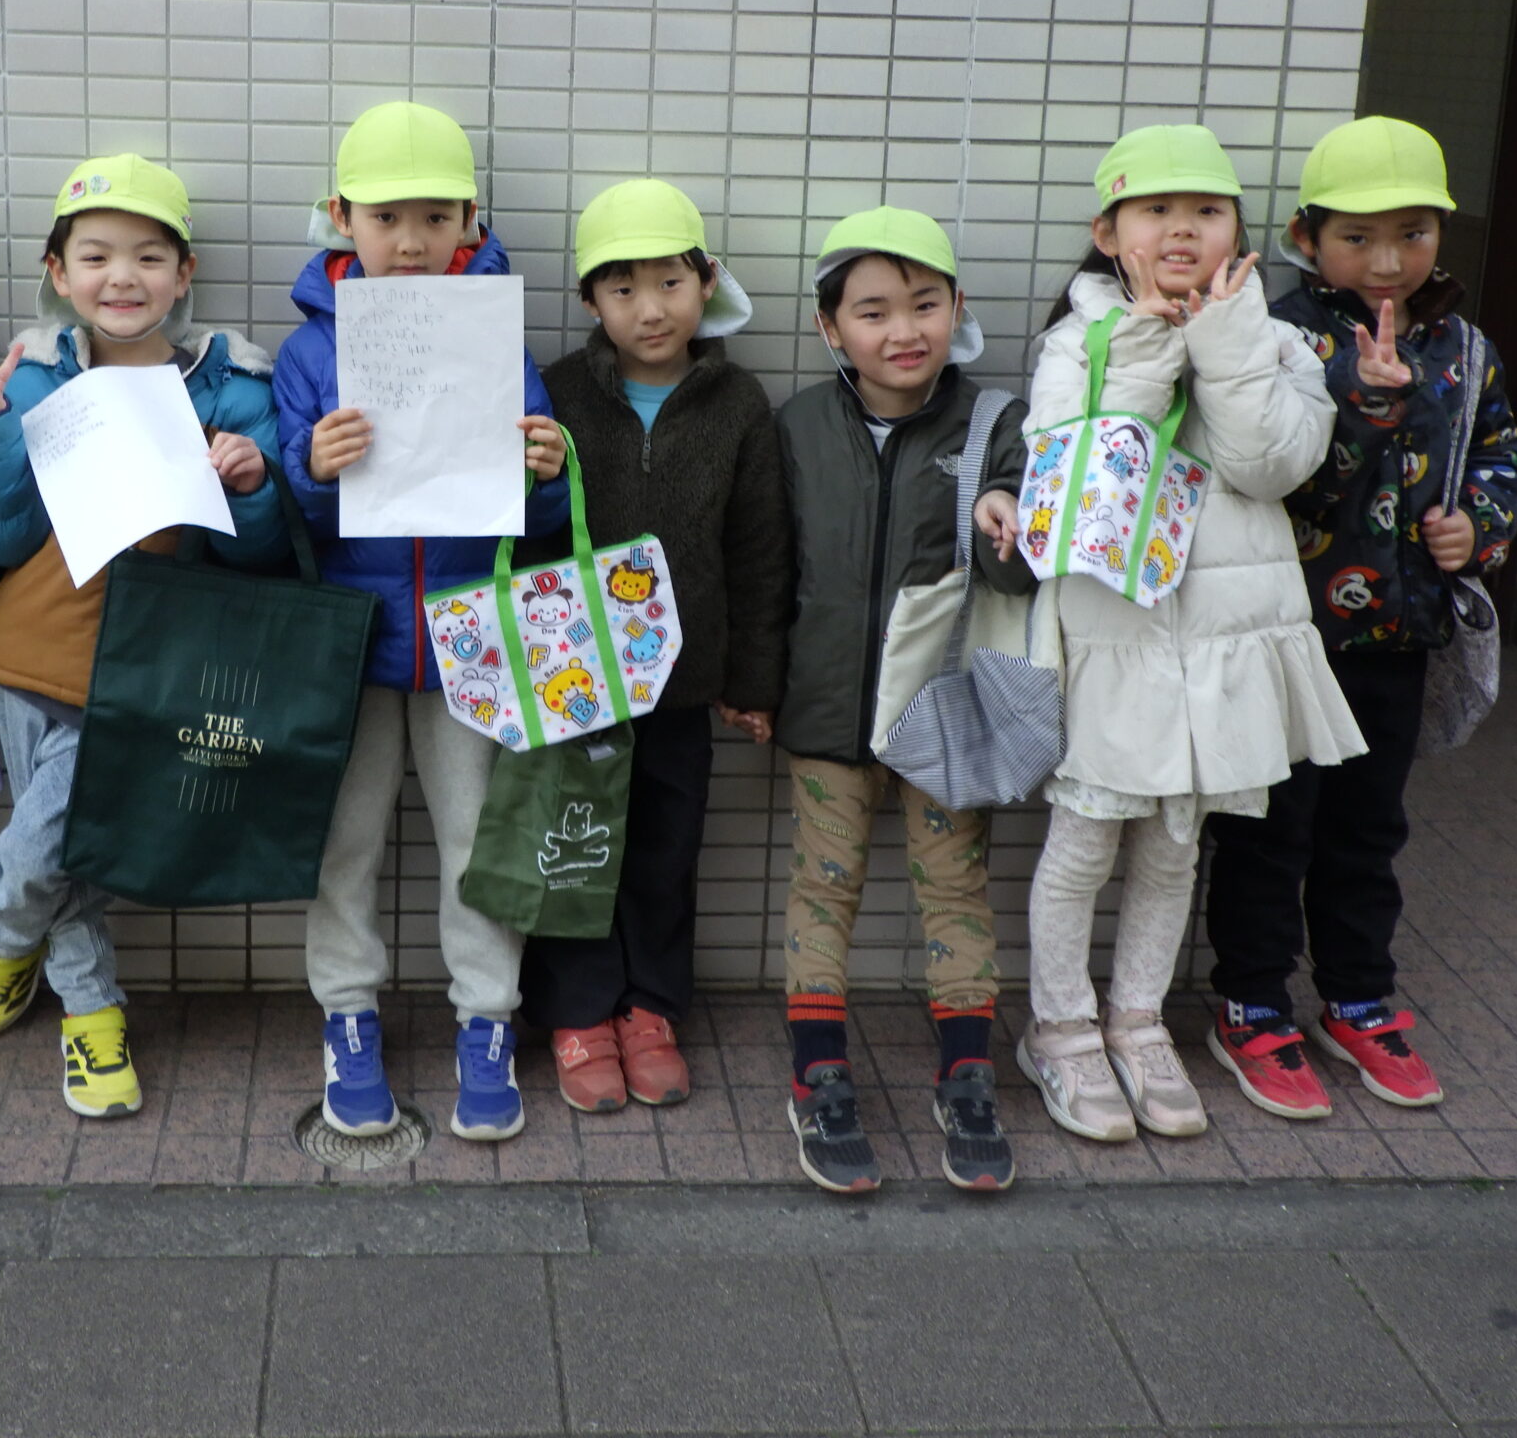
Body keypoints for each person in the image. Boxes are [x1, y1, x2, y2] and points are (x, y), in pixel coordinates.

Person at [1018, 125, 1365, 1148]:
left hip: (1222, 643)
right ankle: (1060, 1030)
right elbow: (1083, 473)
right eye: (1156, 211)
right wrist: (1142, 345)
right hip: (1111, 637)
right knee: (1083, 842)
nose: (1182, 230)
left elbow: (1271, 464)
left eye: (1206, 212)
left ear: (1238, 233)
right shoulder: (1076, 341)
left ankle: (1138, 1024)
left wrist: (1223, 342)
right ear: (1107, 233)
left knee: (1175, 846)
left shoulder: (1277, 340)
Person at [0, 154, 286, 1118]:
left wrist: (254, 483)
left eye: (147, 257)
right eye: (95, 257)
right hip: (27, 654)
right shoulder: (30, 377)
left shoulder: (231, 387)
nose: (121, 277)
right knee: (70, 857)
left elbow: (261, 558)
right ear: (58, 273)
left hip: (152, 669)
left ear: (185, 273)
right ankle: (91, 1024)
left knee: (50, 849)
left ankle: (5, 942)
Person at [1205, 117, 1517, 1117]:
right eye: (1358, 237)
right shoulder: (1276, 335)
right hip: (1287, 635)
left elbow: (1501, 455)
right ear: (1306, 238)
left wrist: (1477, 526)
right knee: (1270, 829)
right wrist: (1364, 403)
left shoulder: (1464, 348)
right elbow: (1265, 473)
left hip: (1399, 634)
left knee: (1367, 829)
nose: (1387, 262)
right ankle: (1251, 1005)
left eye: (1411, 234)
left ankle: (1356, 997)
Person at [275, 100, 569, 1145]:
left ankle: (487, 1022)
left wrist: (548, 473)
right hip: (350, 641)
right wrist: (311, 470)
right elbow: (288, 517)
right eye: (386, 216)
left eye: (436, 217)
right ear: (340, 216)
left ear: (470, 222)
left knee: (477, 843)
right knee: (343, 843)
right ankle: (347, 1017)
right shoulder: (309, 351)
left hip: (470, 634)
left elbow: (538, 522)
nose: (410, 240)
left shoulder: (497, 340)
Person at [776, 207, 1032, 1196]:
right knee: (823, 886)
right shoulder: (799, 426)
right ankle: (818, 1074)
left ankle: (967, 1074)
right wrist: (757, 687)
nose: (902, 330)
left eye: (924, 304)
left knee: (954, 887)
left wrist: (1004, 524)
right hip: (825, 709)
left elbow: (1022, 581)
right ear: (829, 327)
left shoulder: (997, 424)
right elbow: (771, 569)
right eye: (873, 311)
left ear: (957, 308)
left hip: (945, 712)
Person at [522, 180, 791, 1114]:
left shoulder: (738, 403)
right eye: (623, 287)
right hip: (574, 681)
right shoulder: (557, 391)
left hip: (681, 681)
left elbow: (760, 550)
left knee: (665, 852)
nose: (650, 308)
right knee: (573, 847)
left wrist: (752, 678)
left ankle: (649, 1008)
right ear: (589, 300)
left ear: (706, 283)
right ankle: (578, 1011)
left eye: (670, 283)